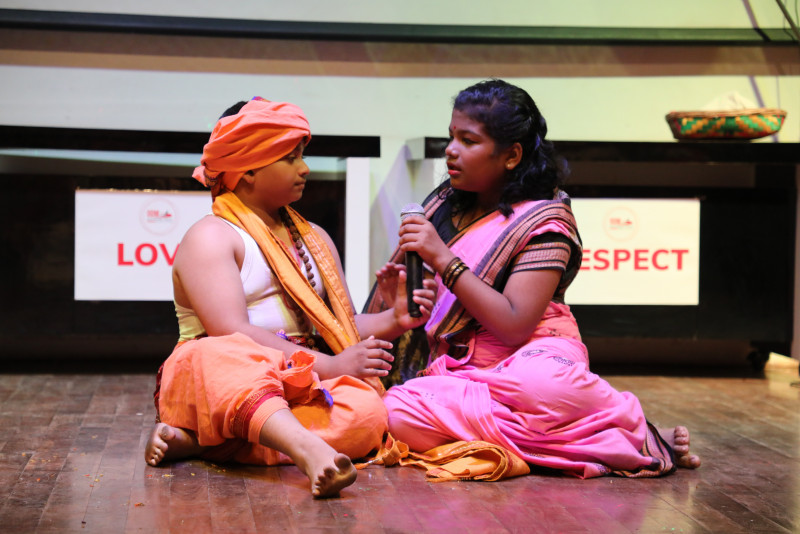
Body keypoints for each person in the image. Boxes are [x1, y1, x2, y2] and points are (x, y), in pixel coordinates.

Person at [369, 79, 701, 479]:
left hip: (532, 355)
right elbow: (419, 312)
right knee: (396, 413)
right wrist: (400, 299)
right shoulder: (441, 205)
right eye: (451, 136)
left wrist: (443, 258)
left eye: (468, 140)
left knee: (542, 385)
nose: (451, 150)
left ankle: (628, 431)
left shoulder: (545, 221)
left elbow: (514, 325)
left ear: (511, 155)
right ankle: (606, 439)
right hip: (458, 369)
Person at [143, 97, 435, 498]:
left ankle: (203, 442)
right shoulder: (211, 236)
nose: (305, 168)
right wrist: (331, 365)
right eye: (290, 158)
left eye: (302, 156)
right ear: (248, 169)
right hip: (221, 380)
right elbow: (230, 332)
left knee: (368, 413)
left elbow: (340, 326)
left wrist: (395, 318)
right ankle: (308, 450)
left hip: (300, 382)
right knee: (222, 355)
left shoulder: (315, 238)